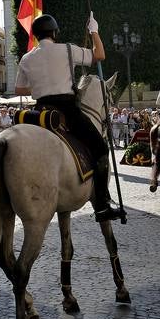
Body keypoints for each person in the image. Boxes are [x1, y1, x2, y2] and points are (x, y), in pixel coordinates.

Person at [15, 12, 122, 223]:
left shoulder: (26, 58)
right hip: (67, 110)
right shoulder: (67, 49)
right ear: (55, 32)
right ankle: (102, 204)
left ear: (35, 35)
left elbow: (19, 89)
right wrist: (94, 31)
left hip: (40, 111)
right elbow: (99, 55)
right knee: (100, 147)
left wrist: (40, 87)